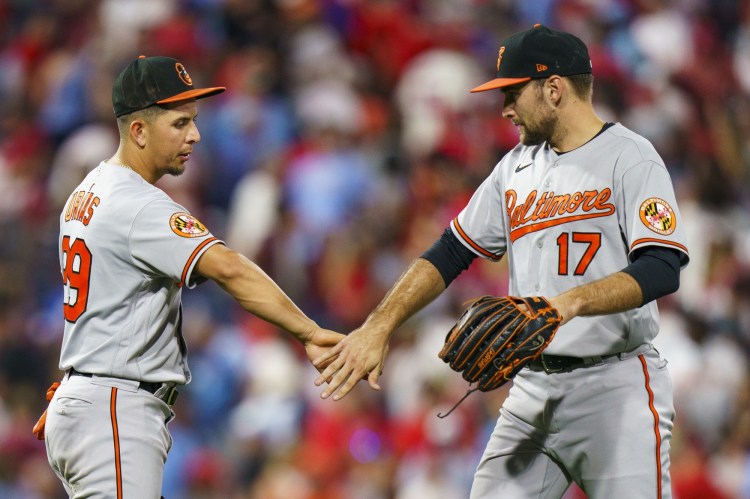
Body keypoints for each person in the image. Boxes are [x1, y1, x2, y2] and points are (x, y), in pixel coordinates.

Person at [314, 24, 689, 498]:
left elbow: (661, 266)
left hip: (617, 385)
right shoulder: (515, 167)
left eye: (513, 92)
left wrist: (566, 304)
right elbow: (450, 251)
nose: (505, 107)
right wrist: (379, 325)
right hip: (533, 387)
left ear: (554, 88)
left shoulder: (631, 157)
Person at [33, 55, 343, 498]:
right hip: (114, 409)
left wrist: (83, 395)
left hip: (90, 401)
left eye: (194, 121)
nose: (194, 135)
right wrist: (309, 332)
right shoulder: (139, 204)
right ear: (138, 131)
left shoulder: (86, 192)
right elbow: (230, 269)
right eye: (179, 123)